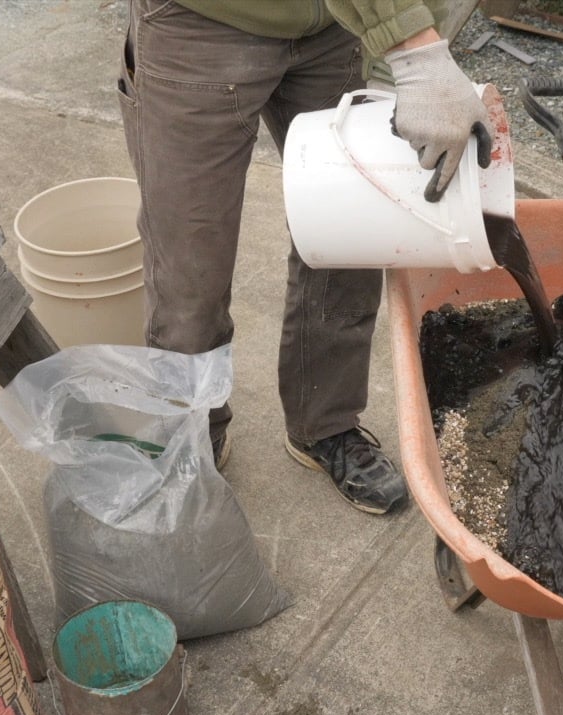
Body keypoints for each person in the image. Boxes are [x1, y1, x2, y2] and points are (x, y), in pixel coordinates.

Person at [117, 0, 491, 515]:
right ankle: (192, 436)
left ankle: (325, 423)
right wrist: (415, 53)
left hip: (339, 26)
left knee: (350, 240)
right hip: (202, 27)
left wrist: (397, 64)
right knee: (189, 269)